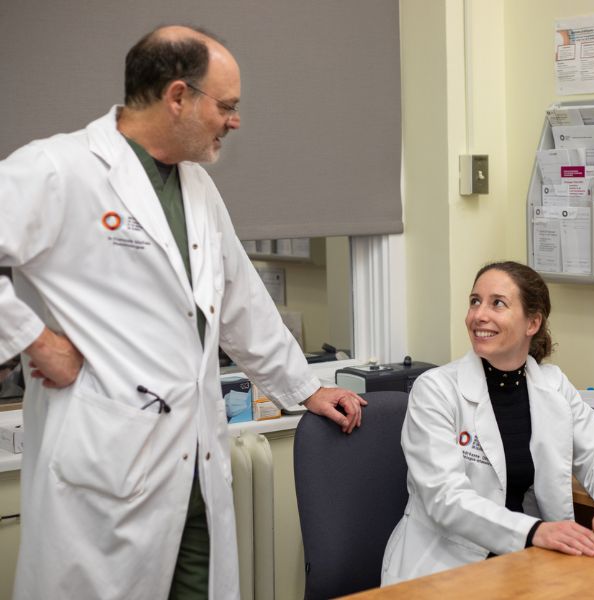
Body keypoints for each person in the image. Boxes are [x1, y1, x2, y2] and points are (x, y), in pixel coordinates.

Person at [0, 25, 365, 600]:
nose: (235, 120)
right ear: (177, 97)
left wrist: (304, 389)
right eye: (227, 105)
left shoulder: (196, 187)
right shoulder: (60, 168)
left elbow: (241, 299)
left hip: (194, 464)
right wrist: (33, 339)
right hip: (106, 463)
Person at [381, 261, 594, 585]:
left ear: (532, 322)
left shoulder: (553, 385)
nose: (479, 315)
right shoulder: (435, 390)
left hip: (524, 562)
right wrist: (535, 531)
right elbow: (444, 498)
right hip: (446, 566)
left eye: (497, 303)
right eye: (475, 301)